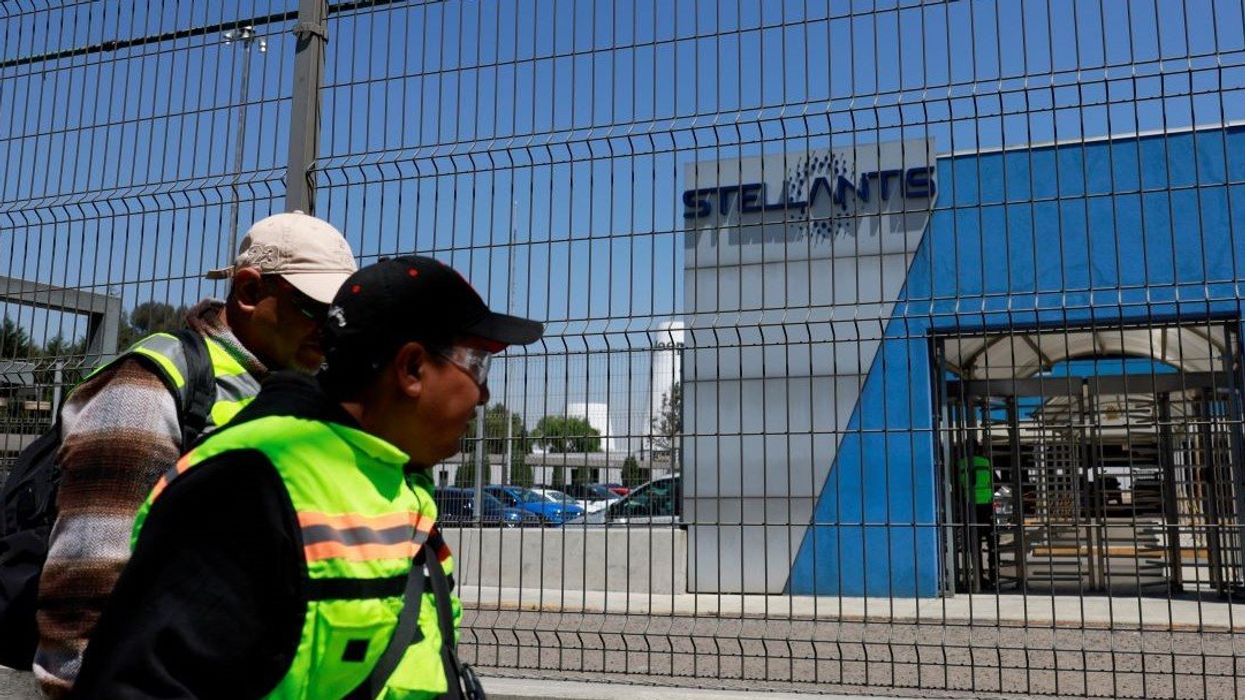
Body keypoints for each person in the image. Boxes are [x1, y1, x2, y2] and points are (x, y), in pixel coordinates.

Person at [72, 256, 543, 698]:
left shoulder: (398, 481)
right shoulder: (245, 485)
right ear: (413, 368)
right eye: (477, 365)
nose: (483, 395)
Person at [35, 212, 357, 696]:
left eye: (338, 314)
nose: (329, 329)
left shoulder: (302, 397)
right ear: (248, 292)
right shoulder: (150, 384)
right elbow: (86, 588)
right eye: (313, 308)